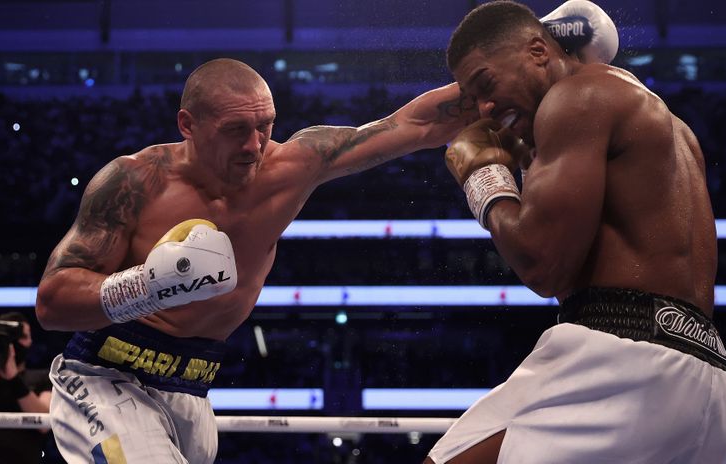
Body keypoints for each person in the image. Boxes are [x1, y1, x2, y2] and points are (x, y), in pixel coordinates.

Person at [34, 56, 481, 463]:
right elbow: (52, 304)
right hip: (104, 373)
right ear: (188, 124)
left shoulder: (292, 167)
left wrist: (511, 67)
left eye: (265, 126)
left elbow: (415, 124)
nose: (254, 145)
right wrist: (148, 285)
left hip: (193, 387)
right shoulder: (134, 182)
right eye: (235, 130)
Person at [428, 1, 726, 463]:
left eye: (486, 84)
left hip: (625, 358)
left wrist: (485, 180)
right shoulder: (669, 126)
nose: (485, 108)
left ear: (538, 51)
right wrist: (524, 156)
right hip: (714, 382)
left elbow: (543, 265)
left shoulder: (576, 96)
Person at [0, 312, 52, 464]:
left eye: (22, 336)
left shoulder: (43, 377)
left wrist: (13, 378)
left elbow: (44, 424)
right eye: (11, 337)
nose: (15, 342)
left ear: (30, 340)